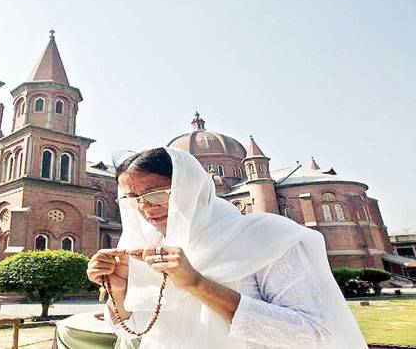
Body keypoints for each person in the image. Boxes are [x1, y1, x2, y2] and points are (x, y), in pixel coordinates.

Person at [87, 147, 367, 349]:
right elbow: (135, 329)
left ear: (191, 188)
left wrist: (196, 283)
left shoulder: (264, 238)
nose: (145, 208)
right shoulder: (152, 247)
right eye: (133, 199)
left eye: (156, 194)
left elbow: (313, 335)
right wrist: (120, 289)